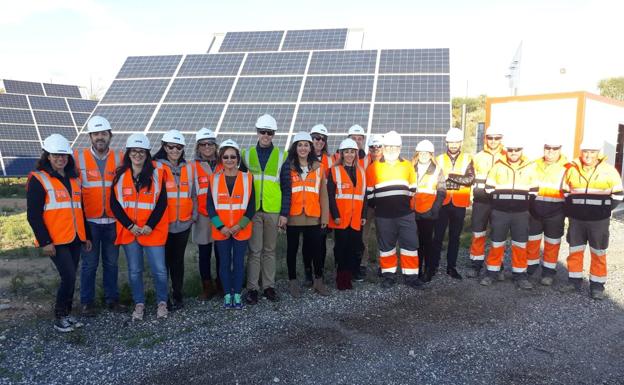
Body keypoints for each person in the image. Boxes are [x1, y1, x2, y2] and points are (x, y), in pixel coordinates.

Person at [27, 134, 92, 332]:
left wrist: (86, 235)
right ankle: (60, 316)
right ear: (47, 156)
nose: (60, 159)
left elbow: (80, 210)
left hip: (74, 236)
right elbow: (33, 215)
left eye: (63, 155)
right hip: (55, 240)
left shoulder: (73, 178)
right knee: (69, 276)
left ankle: (67, 314)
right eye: (56, 155)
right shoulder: (39, 179)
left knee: (71, 276)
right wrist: (45, 241)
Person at [110, 134, 169, 321]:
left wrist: (150, 225)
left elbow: (162, 203)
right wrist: (130, 225)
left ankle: (162, 302)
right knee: (135, 270)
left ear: (147, 154)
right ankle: (139, 303)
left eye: (141, 151)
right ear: (128, 153)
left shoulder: (157, 175)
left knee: (159, 269)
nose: (137, 155)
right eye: (134, 151)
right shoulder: (119, 176)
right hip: (130, 232)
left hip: (151, 231)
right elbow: (114, 204)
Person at [560, 136, 623, 299]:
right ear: (581, 152)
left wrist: (603, 210)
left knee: (598, 252)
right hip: (577, 220)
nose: (588, 155)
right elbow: (565, 191)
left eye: (592, 152)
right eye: (586, 152)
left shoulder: (609, 170)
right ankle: (573, 282)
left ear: (598, 153)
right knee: (575, 251)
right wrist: (572, 210)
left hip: (598, 221)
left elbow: (618, 194)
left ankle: (597, 286)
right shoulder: (572, 169)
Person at [74, 116, 125, 317]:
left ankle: (112, 299)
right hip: (90, 222)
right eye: (96, 134)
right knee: (89, 264)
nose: (100, 137)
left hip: (113, 221)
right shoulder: (78, 158)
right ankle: (87, 302)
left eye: (103, 133)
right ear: (90, 137)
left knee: (112, 263)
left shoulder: (120, 157)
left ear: (110, 136)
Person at [242, 114, 290, 304]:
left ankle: (269, 287)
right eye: (263, 131)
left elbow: (287, 187)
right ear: (257, 132)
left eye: (269, 132)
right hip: (253, 210)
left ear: (274, 134)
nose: (266, 135)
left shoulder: (282, 156)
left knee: (269, 250)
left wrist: (284, 214)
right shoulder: (246, 155)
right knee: (254, 250)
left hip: (272, 210)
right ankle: (252, 288)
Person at [366, 130, 421, 289]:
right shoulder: (373, 168)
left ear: (400, 147)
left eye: (395, 146)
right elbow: (370, 194)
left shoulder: (408, 165)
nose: (391, 149)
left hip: (405, 214)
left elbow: (412, 190)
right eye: (388, 146)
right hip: (383, 215)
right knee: (386, 247)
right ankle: (388, 276)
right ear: (383, 147)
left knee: (410, 245)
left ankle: (411, 277)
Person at [480, 136, 535, 289]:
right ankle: (492, 273)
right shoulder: (498, 166)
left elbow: (535, 191)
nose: (513, 153)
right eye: (511, 150)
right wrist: (501, 203)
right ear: (507, 151)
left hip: (521, 214)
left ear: (521, 151)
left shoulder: (530, 167)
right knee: (496, 244)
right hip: (500, 213)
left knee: (520, 245)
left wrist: (520, 204)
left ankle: (520, 276)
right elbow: (489, 189)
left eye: (517, 150)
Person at [207, 139, 256, 309]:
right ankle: (228, 295)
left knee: (239, 263)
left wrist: (238, 226)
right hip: (222, 231)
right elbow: (210, 207)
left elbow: (251, 206)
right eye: (226, 157)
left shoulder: (247, 178)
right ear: (221, 159)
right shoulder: (213, 179)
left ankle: (237, 294)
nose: (229, 160)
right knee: (224, 263)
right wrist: (222, 227)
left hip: (240, 230)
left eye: (233, 157)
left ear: (238, 159)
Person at [154, 130, 196, 311]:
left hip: (183, 224)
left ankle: (177, 294)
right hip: (164, 226)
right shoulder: (156, 167)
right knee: (163, 264)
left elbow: (193, 194)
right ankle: (164, 298)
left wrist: (193, 215)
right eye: (171, 147)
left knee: (178, 263)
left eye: (178, 147)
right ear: (164, 147)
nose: (174, 150)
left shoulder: (188, 168)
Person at [284, 132, 330, 297]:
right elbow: (284, 192)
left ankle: (318, 281)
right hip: (293, 216)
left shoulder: (319, 168)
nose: (303, 148)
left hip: (313, 216)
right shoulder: (288, 167)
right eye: (300, 145)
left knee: (316, 251)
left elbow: (323, 194)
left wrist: (325, 217)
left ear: (310, 148)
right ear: (295, 148)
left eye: (306, 145)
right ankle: (293, 282)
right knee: (292, 250)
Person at [431, 128, 475, 280]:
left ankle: (451, 267)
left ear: (461, 142)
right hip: (442, 203)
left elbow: (470, 179)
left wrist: (449, 176)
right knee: (437, 237)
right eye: (451, 142)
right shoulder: (439, 158)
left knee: (455, 237)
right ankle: (433, 266)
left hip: (459, 204)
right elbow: (436, 179)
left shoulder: (468, 158)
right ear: (446, 142)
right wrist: (457, 178)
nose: (454, 144)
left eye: (457, 141)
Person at [526, 136, 570, 286]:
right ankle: (530, 269)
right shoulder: (534, 165)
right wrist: (530, 207)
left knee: (552, 244)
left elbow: (570, 192)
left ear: (560, 150)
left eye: (554, 148)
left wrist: (564, 211)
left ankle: (548, 273)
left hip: (556, 213)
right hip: (535, 212)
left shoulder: (568, 167)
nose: (550, 151)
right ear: (544, 148)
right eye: (547, 148)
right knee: (532, 242)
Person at [328, 138, 367, 290]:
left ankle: (348, 277)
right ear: (341, 154)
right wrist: (335, 215)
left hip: (356, 218)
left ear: (356, 154)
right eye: (346, 152)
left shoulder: (361, 172)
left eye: (352, 152)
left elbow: (364, 196)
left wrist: (363, 215)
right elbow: (330, 195)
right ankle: (341, 279)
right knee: (341, 248)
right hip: (341, 218)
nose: (349, 155)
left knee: (354, 248)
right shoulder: (334, 171)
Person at [467, 126, 506, 278]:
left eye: (497, 138)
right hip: (481, 202)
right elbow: (471, 179)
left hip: (500, 203)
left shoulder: (507, 156)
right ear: (486, 138)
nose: (493, 141)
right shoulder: (477, 157)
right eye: (490, 138)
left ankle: (498, 265)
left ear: (501, 139)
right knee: (478, 234)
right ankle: (476, 265)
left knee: (498, 236)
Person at [192, 128, 222, 299]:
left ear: (215, 145)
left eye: (210, 143)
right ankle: (207, 286)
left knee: (221, 252)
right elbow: (191, 192)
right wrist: (194, 213)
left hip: (220, 215)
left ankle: (221, 283)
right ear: (198, 147)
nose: (207, 147)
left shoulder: (223, 162)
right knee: (204, 253)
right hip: (202, 216)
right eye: (203, 144)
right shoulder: (193, 166)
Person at [412, 140, 446, 282]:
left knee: (427, 243)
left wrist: (435, 210)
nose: (424, 155)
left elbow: (441, 192)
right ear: (417, 153)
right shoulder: (410, 167)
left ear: (431, 154)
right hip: (413, 212)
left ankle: (428, 270)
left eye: (427, 153)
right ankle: (416, 269)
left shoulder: (437, 170)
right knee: (415, 243)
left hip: (428, 212)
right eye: (421, 152)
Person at [310, 124, 332, 287]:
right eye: (316, 138)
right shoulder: (301, 157)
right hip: (307, 207)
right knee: (308, 243)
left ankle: (320, 272)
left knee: (321, 241)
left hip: (323, 207)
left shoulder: (330, 160)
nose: (319, 141)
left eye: (322, 139)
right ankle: (306, 272)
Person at [360, 134, 383, 277]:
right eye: (372, 147)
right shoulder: (362, 162)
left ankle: (384, 264)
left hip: (383, 204)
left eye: (378, 147)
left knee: (384, 235)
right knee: (363, 236)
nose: (375, 150)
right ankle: (363, 263)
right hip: (367, 205)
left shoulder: (388, 163)